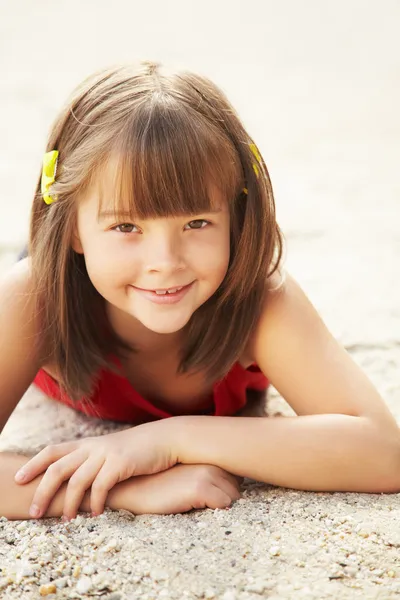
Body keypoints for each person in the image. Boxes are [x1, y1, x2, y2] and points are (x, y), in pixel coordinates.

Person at [0, 62, 399, 523]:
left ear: (236, 215)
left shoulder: (260, 299)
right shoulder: (35, 298)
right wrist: (124, 488)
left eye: (196, 223)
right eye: (126, 225)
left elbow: (383, 451)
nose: (165, 260)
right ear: (72, 229)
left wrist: (172, 439)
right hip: (73, 280)